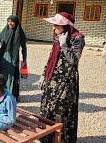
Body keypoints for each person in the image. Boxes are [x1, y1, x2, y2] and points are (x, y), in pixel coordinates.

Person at [39, 12, 85, 143]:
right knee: (47, 108)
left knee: (62, 110)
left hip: (66, 81)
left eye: (56, 26)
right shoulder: (58, 36)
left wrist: (64, 45)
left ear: (65, 26)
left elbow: (74, 60)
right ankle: (47, 138)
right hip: (52, 79)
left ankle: (61, 140)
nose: (53, 29)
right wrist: (43, 75)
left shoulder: (78, 38)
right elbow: (51, 57)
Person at [0, 15, 27, 100]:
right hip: (3, 55)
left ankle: (9, 95)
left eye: (12, 21)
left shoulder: (19, 33)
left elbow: (24, 47)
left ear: (16, 23)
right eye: (8, 21)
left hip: (13, 57)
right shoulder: (6, 29)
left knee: (10, 76)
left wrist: (24, 60)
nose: (10, 23)